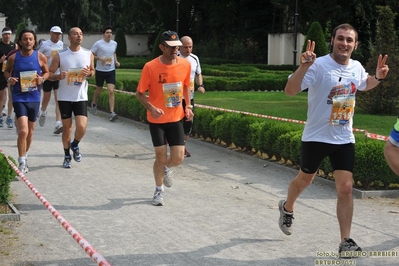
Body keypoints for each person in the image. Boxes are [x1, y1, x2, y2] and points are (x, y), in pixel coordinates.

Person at [279, 23, 389, 256]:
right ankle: (287, 207)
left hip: (343, 137)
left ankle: (345, 241)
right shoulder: (318, 65)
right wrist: (303, 67)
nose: (344, 43)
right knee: (305, 180)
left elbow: (364, 84)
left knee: (346, 188)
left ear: (355, 44)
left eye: (349, 40)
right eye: (340, 38)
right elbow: (290, 90)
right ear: (332, 40)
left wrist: (377, 78)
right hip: (316, 136)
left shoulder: (356, 67)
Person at [136, 30, 193, 206]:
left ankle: (167, 168)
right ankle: (158, 191)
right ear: (162, 47)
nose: (175, 50)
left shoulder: (185, 65)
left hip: (176, 118)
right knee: (160, 157)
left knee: (178, 158)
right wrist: (151, 108)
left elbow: (185, 87)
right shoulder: (150, 67)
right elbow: (139, 93)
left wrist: (188, 106)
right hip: (156, 121)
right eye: (171, 47)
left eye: (177, 47)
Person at [48, 27, 94, 169]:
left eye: (81, 34)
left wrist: (89, 73)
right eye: (75, 34)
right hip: (64, 96)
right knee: (67, 128)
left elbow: (93, 71)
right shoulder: (60, 56)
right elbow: (48, 74)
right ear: (69, 37)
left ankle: (75, 144)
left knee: (82, 127)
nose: (79, 36)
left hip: (80, 96)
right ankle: (67, 155)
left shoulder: (88, 53)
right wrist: (58, 76)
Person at [4, 29, 49, 173]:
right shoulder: (14, 57)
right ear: (20, 41)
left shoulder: (40, 56)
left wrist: (42, 78)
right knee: (23, 131)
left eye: (30, 39)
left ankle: (25, 154)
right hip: (19, 97)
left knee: (30, 132)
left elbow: (47, 72)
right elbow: (6, 71)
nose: (28, 41)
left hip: (34, 97)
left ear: (34, 41)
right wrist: (10, 79)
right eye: (25, 39)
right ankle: (21, 161)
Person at [178, 36, 205, 157]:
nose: (188, 49)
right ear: (179, 46)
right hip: (175, 97)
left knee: (188, 122)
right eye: (186, 47)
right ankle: (177, 145)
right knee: (176, 122)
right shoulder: (174, 57)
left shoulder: (195, 58)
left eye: (190, 47)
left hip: (189, 96)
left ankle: (182, 146)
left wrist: (201, 85)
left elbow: (198, 74)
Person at [37, 26, 65, 134]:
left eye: (59, 34)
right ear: (50, 33)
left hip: (58, 75)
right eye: (56, 33)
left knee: (59, 99)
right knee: (47, 98)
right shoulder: (44, 44)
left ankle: (58, 123)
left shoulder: (61, 44)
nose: (58, 35)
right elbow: (37, 56)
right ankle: (43, 112)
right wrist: (44, 58)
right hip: (48, 74)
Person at [90, 25, 120, 121]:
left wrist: (116, 61)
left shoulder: (114, 43)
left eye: (110, 33)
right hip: (100, 70)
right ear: (103, 34)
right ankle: (94, 104)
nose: (109, 34)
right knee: (98, 90)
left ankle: (112, 112)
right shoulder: (98, 44)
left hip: (111, 70)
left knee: (111, 91)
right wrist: (100, 58)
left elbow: (114, 52)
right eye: (107, 32)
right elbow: (91, 54)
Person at [0, 27, 18, 128]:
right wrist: (1, 60)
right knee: (1, 96)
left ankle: (9, 117)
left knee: (11, 96)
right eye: (5, 34)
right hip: (1, 73)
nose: (7, 36)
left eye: (9, 34)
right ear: (2, 35)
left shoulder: (13, 45)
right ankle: (0, 117)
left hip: (11, 72)